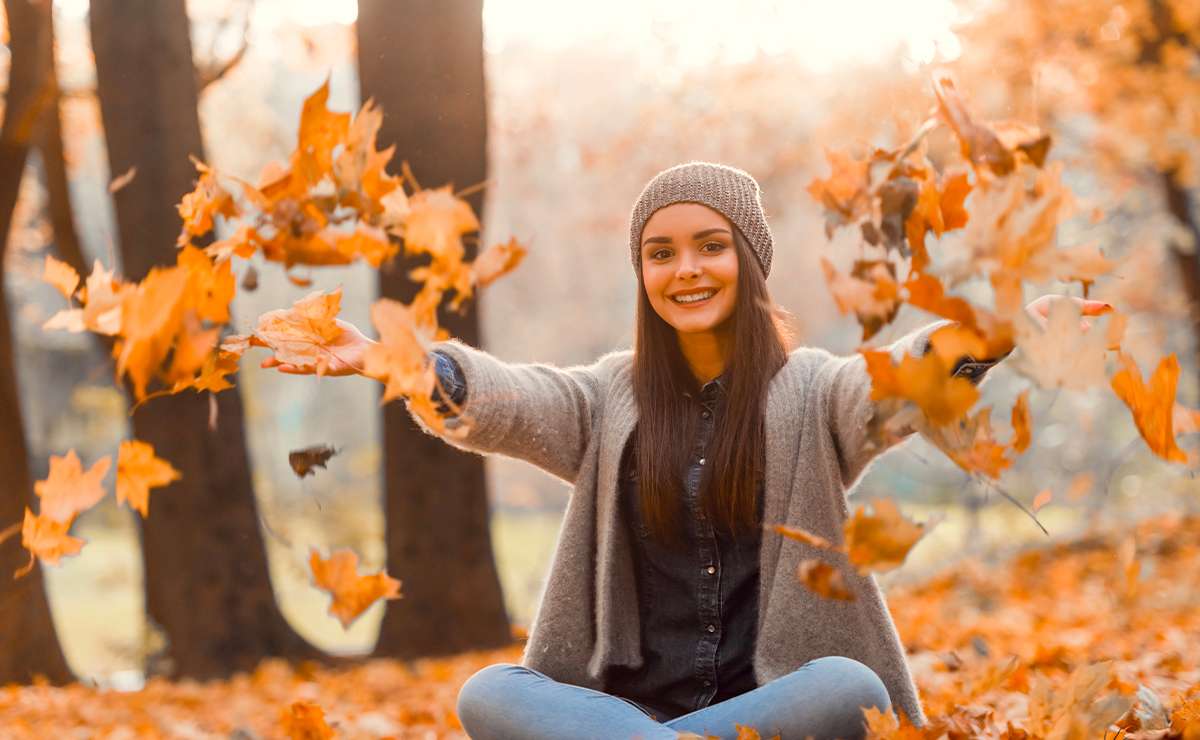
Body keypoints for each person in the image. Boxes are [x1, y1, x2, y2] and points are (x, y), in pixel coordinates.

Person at [262, 162, 1109, 739]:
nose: (686, 270)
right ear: (644, 275)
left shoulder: (813, 392)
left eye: (711, 246)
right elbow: (509, 400)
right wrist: (405, 362)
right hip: (622, 702)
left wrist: (988, 335)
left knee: (850, 689)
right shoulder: (607, 396)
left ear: (749, 260)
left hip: (771, 710)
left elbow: (894, 383)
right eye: (660, 254)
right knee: (489, 693)